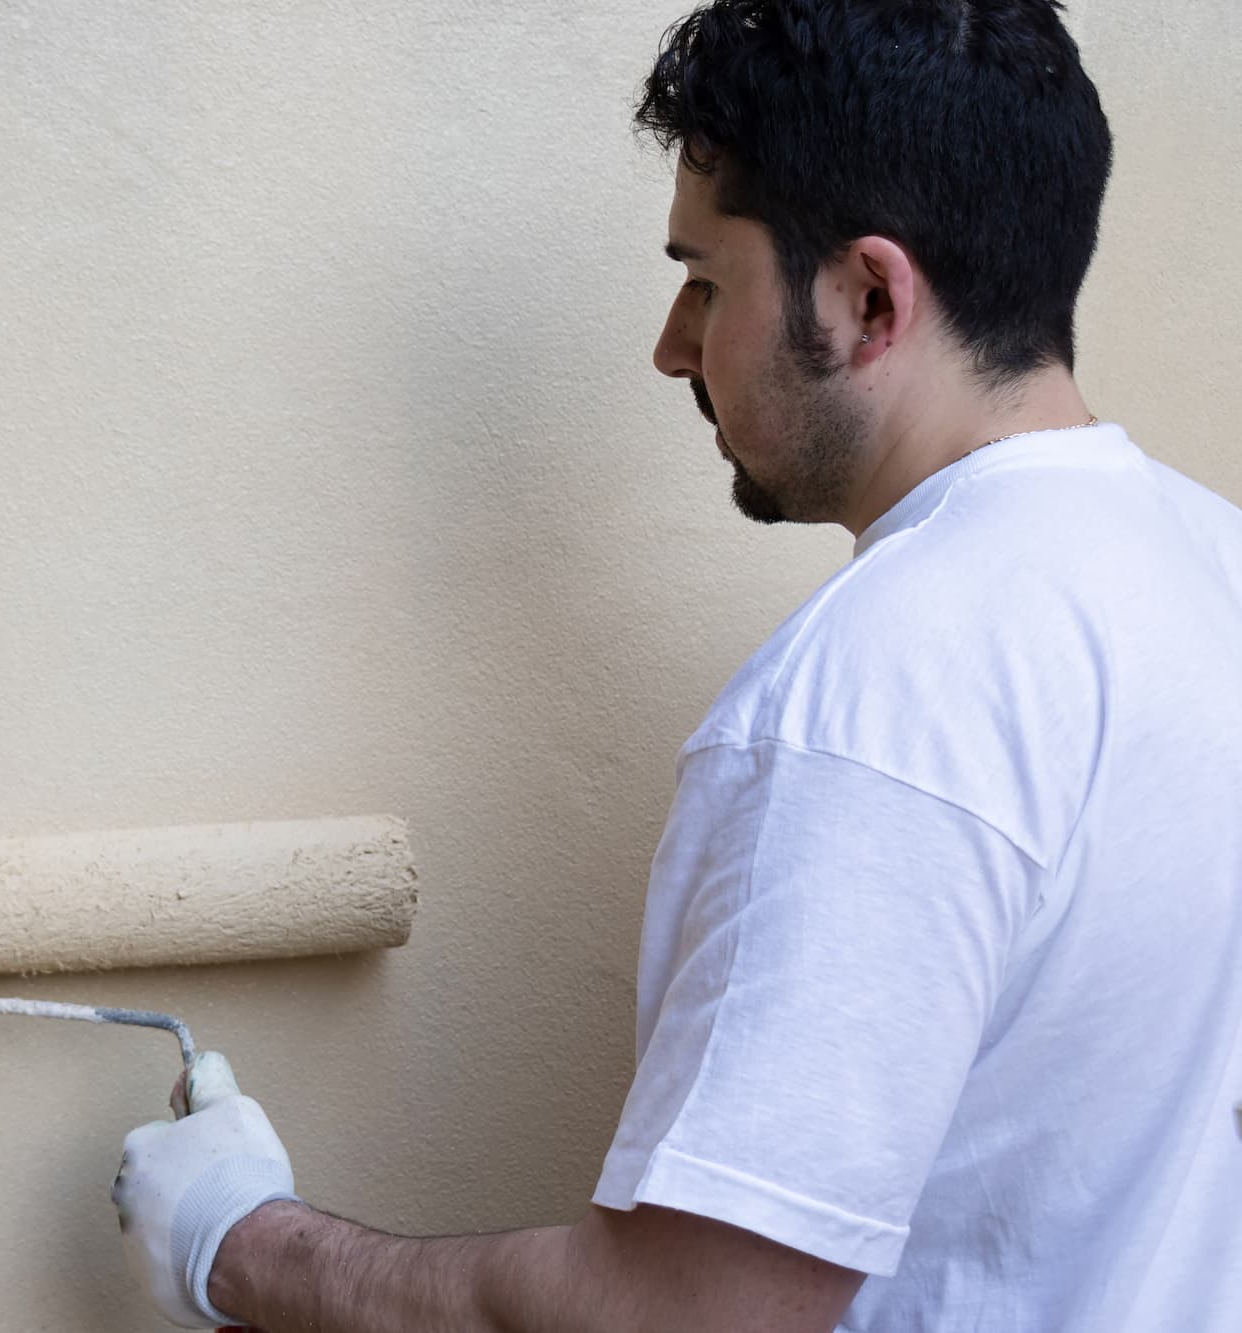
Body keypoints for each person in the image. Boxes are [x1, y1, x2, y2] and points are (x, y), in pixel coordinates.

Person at [112, 1, 1242, 1328]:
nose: (672, 343)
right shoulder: (1213, 568)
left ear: (868, 296)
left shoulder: (879, 693)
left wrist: (243, 1243)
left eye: (707, 280)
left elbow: (677, 1316)